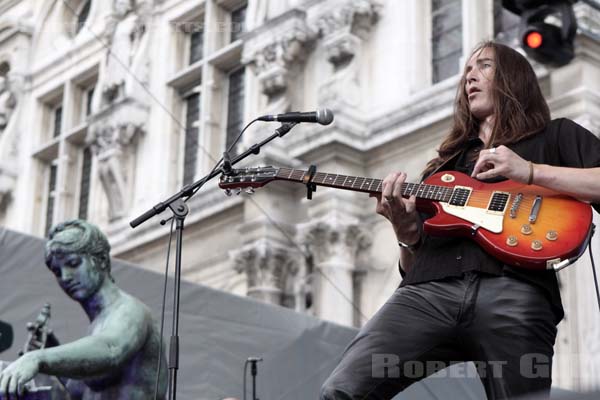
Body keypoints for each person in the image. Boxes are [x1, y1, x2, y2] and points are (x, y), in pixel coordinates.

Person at [320, 41, 600, 399]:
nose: (470, 77)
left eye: (483, 66)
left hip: (514, 290)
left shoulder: (557, 135)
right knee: (341, 391)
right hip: (428, 292)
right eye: (466, 72)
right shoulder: (442, 169)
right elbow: (413, 261)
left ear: (514, 78)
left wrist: (528, 170)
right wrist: (405, 234)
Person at [0, 219, 167, 399]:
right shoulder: (97, 326)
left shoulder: (129, 310)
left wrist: (37, 358)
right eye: (57, 271)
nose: (65, 277)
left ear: (101, 260)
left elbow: (111, 349)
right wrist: (50, 348)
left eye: (73, 263)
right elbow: (85, 392)